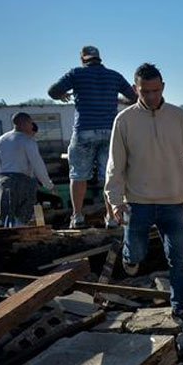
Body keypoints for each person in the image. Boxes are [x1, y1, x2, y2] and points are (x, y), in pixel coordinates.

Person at [105, 63, 183, 331]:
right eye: (145, 91)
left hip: (173, 203)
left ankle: (179, 309)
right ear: (135, 89)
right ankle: (130, 256)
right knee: (138, 253)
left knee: (178, 259)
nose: (152, 96)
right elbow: (115, 165)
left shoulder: (179, 118)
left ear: (163, 86)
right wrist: (115, 200)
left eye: (156, 90)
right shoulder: (125, 121)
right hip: (139, 203)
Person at [49, 45, 138, 229]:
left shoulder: (76, 74)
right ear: (99, 58)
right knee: (109, 176)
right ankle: (112, 218)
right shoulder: (114, 75)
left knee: (78, 175)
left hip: (84, 130)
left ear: (82, 59)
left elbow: (53, 91)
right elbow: (134, 97)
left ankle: (78, 217)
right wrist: (119, 100)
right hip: (109, 131)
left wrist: (63, 95)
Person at [0, 113, 54, 227]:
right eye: (30, 123)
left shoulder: (0, 140)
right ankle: (21, 238)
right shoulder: (27, 140)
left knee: (7, 215)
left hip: (4, 182)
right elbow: (37, 164)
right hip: (24, 181)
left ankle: (9, 239)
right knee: (22, 217)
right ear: (24, 123)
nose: (32, 125)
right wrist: (48, 185)